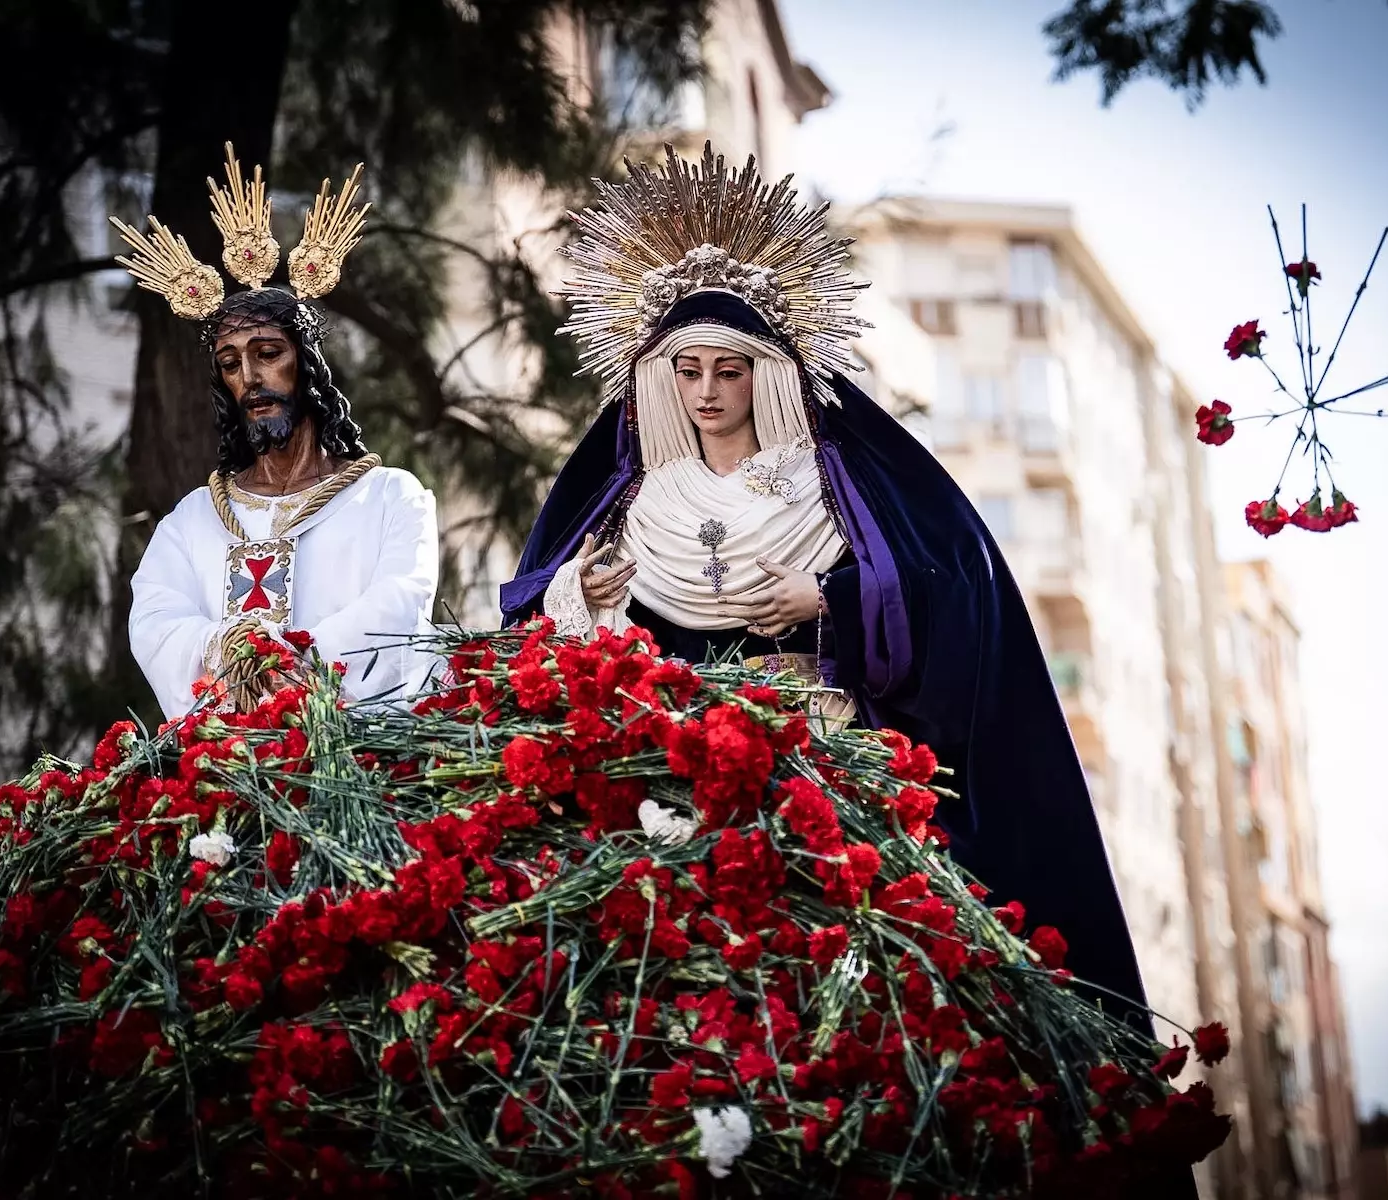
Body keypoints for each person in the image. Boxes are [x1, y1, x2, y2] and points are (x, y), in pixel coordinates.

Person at [504, 144, 1152, 1025]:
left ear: (765, 372)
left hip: (825, 767)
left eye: (727, 370)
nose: (706, 391)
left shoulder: (834, 478)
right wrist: (585, 592)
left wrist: (830, 603)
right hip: (671, 784)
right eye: (687, 371)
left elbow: (960, 598)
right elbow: (542, 622)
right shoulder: (633, 498)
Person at [118, 145, 438, 717]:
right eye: (231, 362)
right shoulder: (193, 520)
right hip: (234, 766)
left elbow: (399, 604)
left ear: (307, 364)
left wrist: (292, 658)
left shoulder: (389, 497)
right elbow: (154, 620)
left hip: (361, 756)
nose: (250, 377)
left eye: (268, 353)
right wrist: (225, 648)